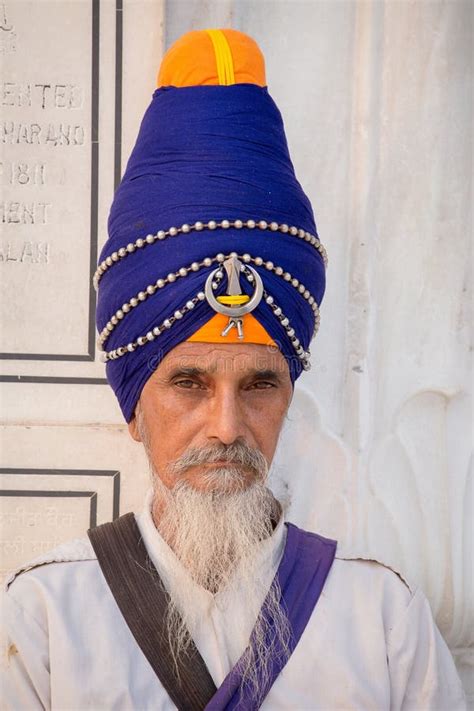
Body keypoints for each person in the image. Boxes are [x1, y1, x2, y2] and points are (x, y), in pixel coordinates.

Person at [1, 29, 466, 710]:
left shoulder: (386, 623)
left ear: (287, 395)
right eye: (188, 382)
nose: (226, 426)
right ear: (133, 405)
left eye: (259, 384)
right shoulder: (45, 621)